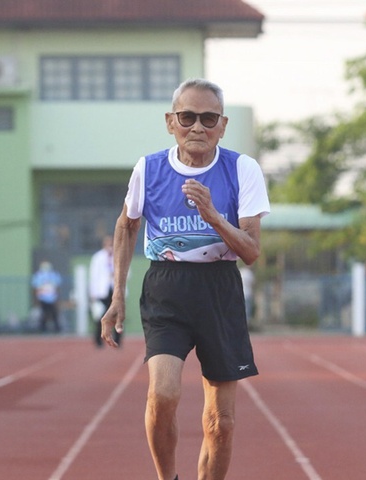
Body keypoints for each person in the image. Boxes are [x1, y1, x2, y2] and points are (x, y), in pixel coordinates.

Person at [100, 78, 270, 480]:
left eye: (208, 118)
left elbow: (251, 252)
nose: (198, 127)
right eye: (187, 117)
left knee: (221, 421)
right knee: (162, 394)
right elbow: (126, 227)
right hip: (167, 288)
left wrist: (213, 216)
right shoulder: (150, 168)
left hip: (219, 289)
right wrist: (117, 296)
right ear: (170, 121)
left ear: (223, 125)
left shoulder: (242, 169)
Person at [89, 235, 120, 348]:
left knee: (117, 317)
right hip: (101, 292)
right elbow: (93, 276)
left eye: (111, 243)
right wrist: (92, 293)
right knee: (100, 317)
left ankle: (118, 341)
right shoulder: (97, 257)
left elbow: (127, 272)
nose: (110, 245)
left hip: (115, 291)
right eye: (107, 243)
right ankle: (98, 341)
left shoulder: (119, 255)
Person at [31, 261, 62, 333]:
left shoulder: (53, 275)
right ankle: (42, 329)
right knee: (44, 314)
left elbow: (57, 287)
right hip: (43, 298)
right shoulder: (38, 275)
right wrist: (36, 298)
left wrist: (57, 298)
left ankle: (57, 329)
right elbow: (36, 288)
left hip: (51, 298)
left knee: (54, 314)